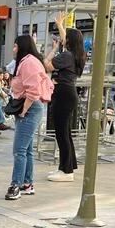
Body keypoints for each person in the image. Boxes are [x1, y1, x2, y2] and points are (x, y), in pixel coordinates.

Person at [5, 34, 53, 200]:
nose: (13, 49)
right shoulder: (29, 61)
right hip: (30, 107)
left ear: (22, 46)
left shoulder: (29, 63)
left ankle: (15, 185)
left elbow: (33, 91)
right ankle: (27, 183)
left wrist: (24, 110)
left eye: (15, 46)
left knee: (19, 150)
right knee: (26, 149)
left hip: (30, 108)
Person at [43, 14, 85, 182]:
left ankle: (66, 172)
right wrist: (60, 25)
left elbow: (47, 65)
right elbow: (66, 39)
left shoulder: (66, 56)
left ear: (69, 41)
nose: (62, 40)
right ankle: (67, 167)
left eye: (65, 38)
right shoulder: (75, 54)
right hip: (68, 94)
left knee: (62, 133)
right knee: (65, 133)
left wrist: (52, 50)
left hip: (63, 94)